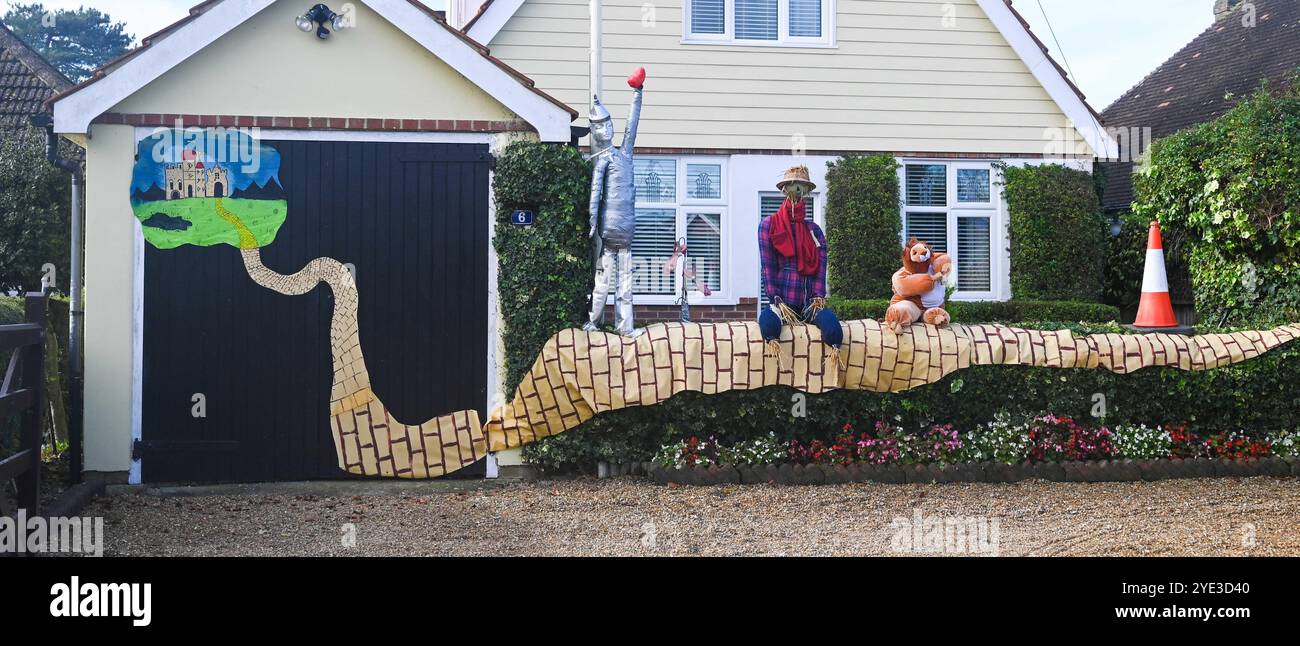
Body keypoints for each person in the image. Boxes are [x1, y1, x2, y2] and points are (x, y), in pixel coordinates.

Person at [758, 166, 843, 365]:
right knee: (768, 321)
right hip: (783, 303)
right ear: (785, 189)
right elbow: (767, 266)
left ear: (806, 191)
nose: (797, 191)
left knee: (831, 325)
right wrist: (776, 298)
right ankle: (774, 345)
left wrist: (817, 297)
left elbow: (822, 267)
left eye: (802, 187)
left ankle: (835, 350)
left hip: (808, 303)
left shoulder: (814, 231)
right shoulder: (769, 225)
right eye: (793, 186)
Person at [582, 69, 646, 337]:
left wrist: (637, 94)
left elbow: (633, 125)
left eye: (607, 125)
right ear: (595, 132)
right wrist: (593, 222)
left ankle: (625, 326)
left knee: (625, 284)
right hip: (610, 231)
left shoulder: (625, 154)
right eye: (599, 127)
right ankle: (593, 321)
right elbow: (595, 193)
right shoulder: (604, 161)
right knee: (604, 281)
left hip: (626, 229)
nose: (604, 130)